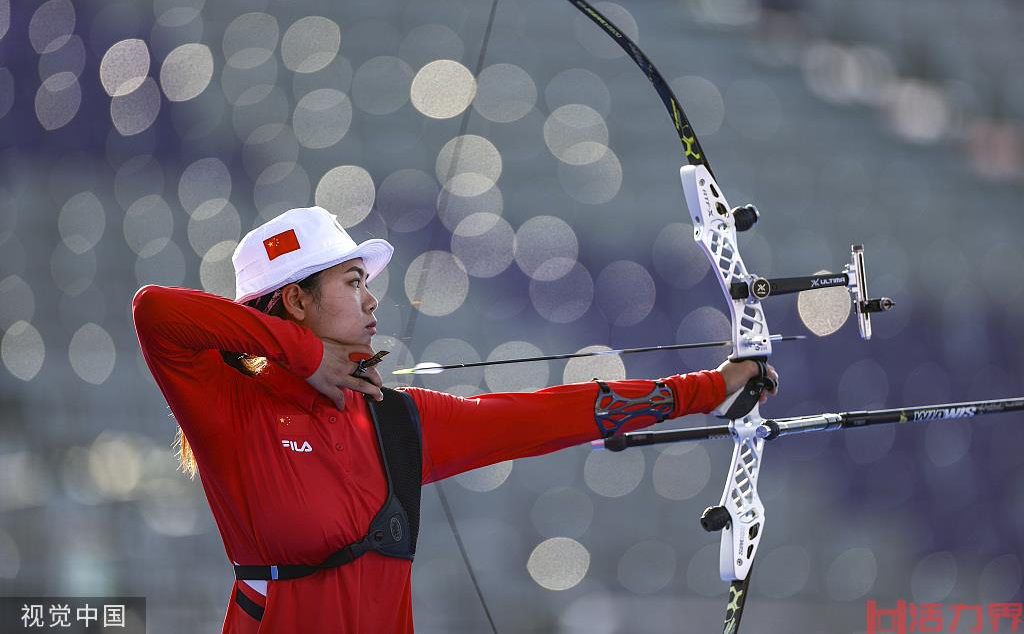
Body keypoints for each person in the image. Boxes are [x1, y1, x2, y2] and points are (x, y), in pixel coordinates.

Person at [132, 205, 778, 633]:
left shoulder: (393, 421)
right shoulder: (230, 405)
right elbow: (155, 311)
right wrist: (304, 356)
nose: (371, 297)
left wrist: (711, 385)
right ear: (297, 299)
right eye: (352, 280)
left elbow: (550, 414)